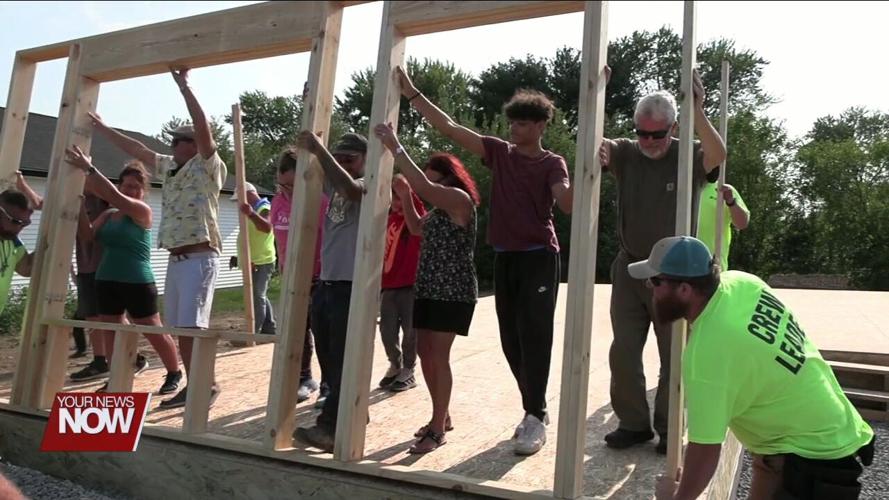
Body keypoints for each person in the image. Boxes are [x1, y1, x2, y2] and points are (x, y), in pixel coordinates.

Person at [397, 66, 571, 456]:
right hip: (506, 257)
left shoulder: (551, 163)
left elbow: (566, 198)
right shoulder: (499, 153)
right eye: (512, 123)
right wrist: (411, 94)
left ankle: (534, 413)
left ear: (542, 125)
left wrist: (570, 192)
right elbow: (450, 127)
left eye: (523, 124)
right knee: (511, 340)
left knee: (534, 334)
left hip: (540, 256)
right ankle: (535, 407)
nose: (514, 130)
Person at [623, 236, 876, 500]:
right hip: (826, 426)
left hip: (811, 459)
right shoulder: (742, 282)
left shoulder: (709, 352)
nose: (649, 288)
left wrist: (675, 497)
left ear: (685, 289)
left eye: (655, 281)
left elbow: (706, 450)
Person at [597, 70, 726, 453]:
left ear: (673, 127)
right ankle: (633, 424)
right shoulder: (626, 152)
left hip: (676, 274)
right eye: (642, 132)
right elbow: (594, 143)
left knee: (674, 353)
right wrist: (598, 89)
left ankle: (670, 428)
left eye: (658, 133)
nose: (649, 141)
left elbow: (719, 155)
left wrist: (698, 113)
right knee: (623, 350)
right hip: (631, 266)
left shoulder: (688, 155)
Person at [88, 68, 226, 409]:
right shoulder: (171, 168)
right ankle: (199, 385)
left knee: (192, 328)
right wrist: (104, 129)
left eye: (184, 140)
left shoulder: (208, 166)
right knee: (181, 329)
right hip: (177, 258)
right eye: (175, 140)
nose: (176, 144)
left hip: (199, 255)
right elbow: (136, 147)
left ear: (195, 145)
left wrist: (185, 87)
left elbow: (204, 128)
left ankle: (201, 388)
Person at [375, 124, 480, 454]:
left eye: (435, 180)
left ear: (449, 179)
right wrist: (406, 197)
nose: (429, 187)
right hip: (429, 287)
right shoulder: (437, 210)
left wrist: (395, 146)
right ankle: (442, 415)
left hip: (453, 290)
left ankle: (437, 428)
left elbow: (422, 184)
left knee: (438, 356)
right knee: (424, 353)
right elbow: (417, 228)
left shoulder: (459, 200)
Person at [66, 149, 182, 396]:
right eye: (126, 185)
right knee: (110, 331)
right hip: (107, 280)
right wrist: (77, 209)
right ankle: (116, 376)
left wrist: (89, 169)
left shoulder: (142, 212)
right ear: (120, 184)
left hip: (137, 281)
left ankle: (174, 372)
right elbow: (87, 237)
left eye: (135, 187)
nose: (130, 190)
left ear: (143, 191)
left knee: (152, 329)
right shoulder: (108, 215)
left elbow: (113, 196)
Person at [292, 131, 367, 452]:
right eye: (341, 158)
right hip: (328, 283)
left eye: (350, 158)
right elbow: (319, 171)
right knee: (329, 360)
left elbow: (350, 189)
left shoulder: (369, 185)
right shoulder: (335, 186)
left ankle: (331, 429)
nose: (343, 164)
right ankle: (352, 412)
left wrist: (319, 149)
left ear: (367, 159)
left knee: (341, 359)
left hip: (351, 286)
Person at [270, 148, 328, 403]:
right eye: (283, 184)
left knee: (323, 332)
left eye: (293, 185)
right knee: (297, 332)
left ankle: (329, 384)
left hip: (318, 276)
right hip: (290, 277)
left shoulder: (321, 202)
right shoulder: (277, 202)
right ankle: (304, 377)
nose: (287, 190)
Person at [378, 174, 425, 393]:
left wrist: (405, 191)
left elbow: (415, 206)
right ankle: (395, 365)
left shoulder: (414, 218)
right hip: (389, 284)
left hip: (410, 284)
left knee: (410, 331)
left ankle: (409, 369)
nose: (396, 203)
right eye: (393, 198)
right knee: (387, 330)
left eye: (399, 198)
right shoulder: (389, 220)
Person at [231, 182, 277, 335]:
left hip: (262, 260)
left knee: (257, 296)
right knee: (260, 295)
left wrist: (251, 214)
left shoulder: (264, 207)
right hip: (253, 259)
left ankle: (253, 333)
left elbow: (267, 227)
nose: (239, 202)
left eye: (240, 198)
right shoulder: (252, 210)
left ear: (249, 194)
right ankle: (269, 328)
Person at [695, 168, 749, 271]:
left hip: (713, 264)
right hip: (683, 260)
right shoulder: (682, 188)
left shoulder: (723, 189)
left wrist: (731, 202)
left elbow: (742, 224)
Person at [0, 190, 35, 313]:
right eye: (15, 221)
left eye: (25, 223)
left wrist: (52, 239)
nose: (19, 228)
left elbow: (26, 268)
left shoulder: (12, 241)